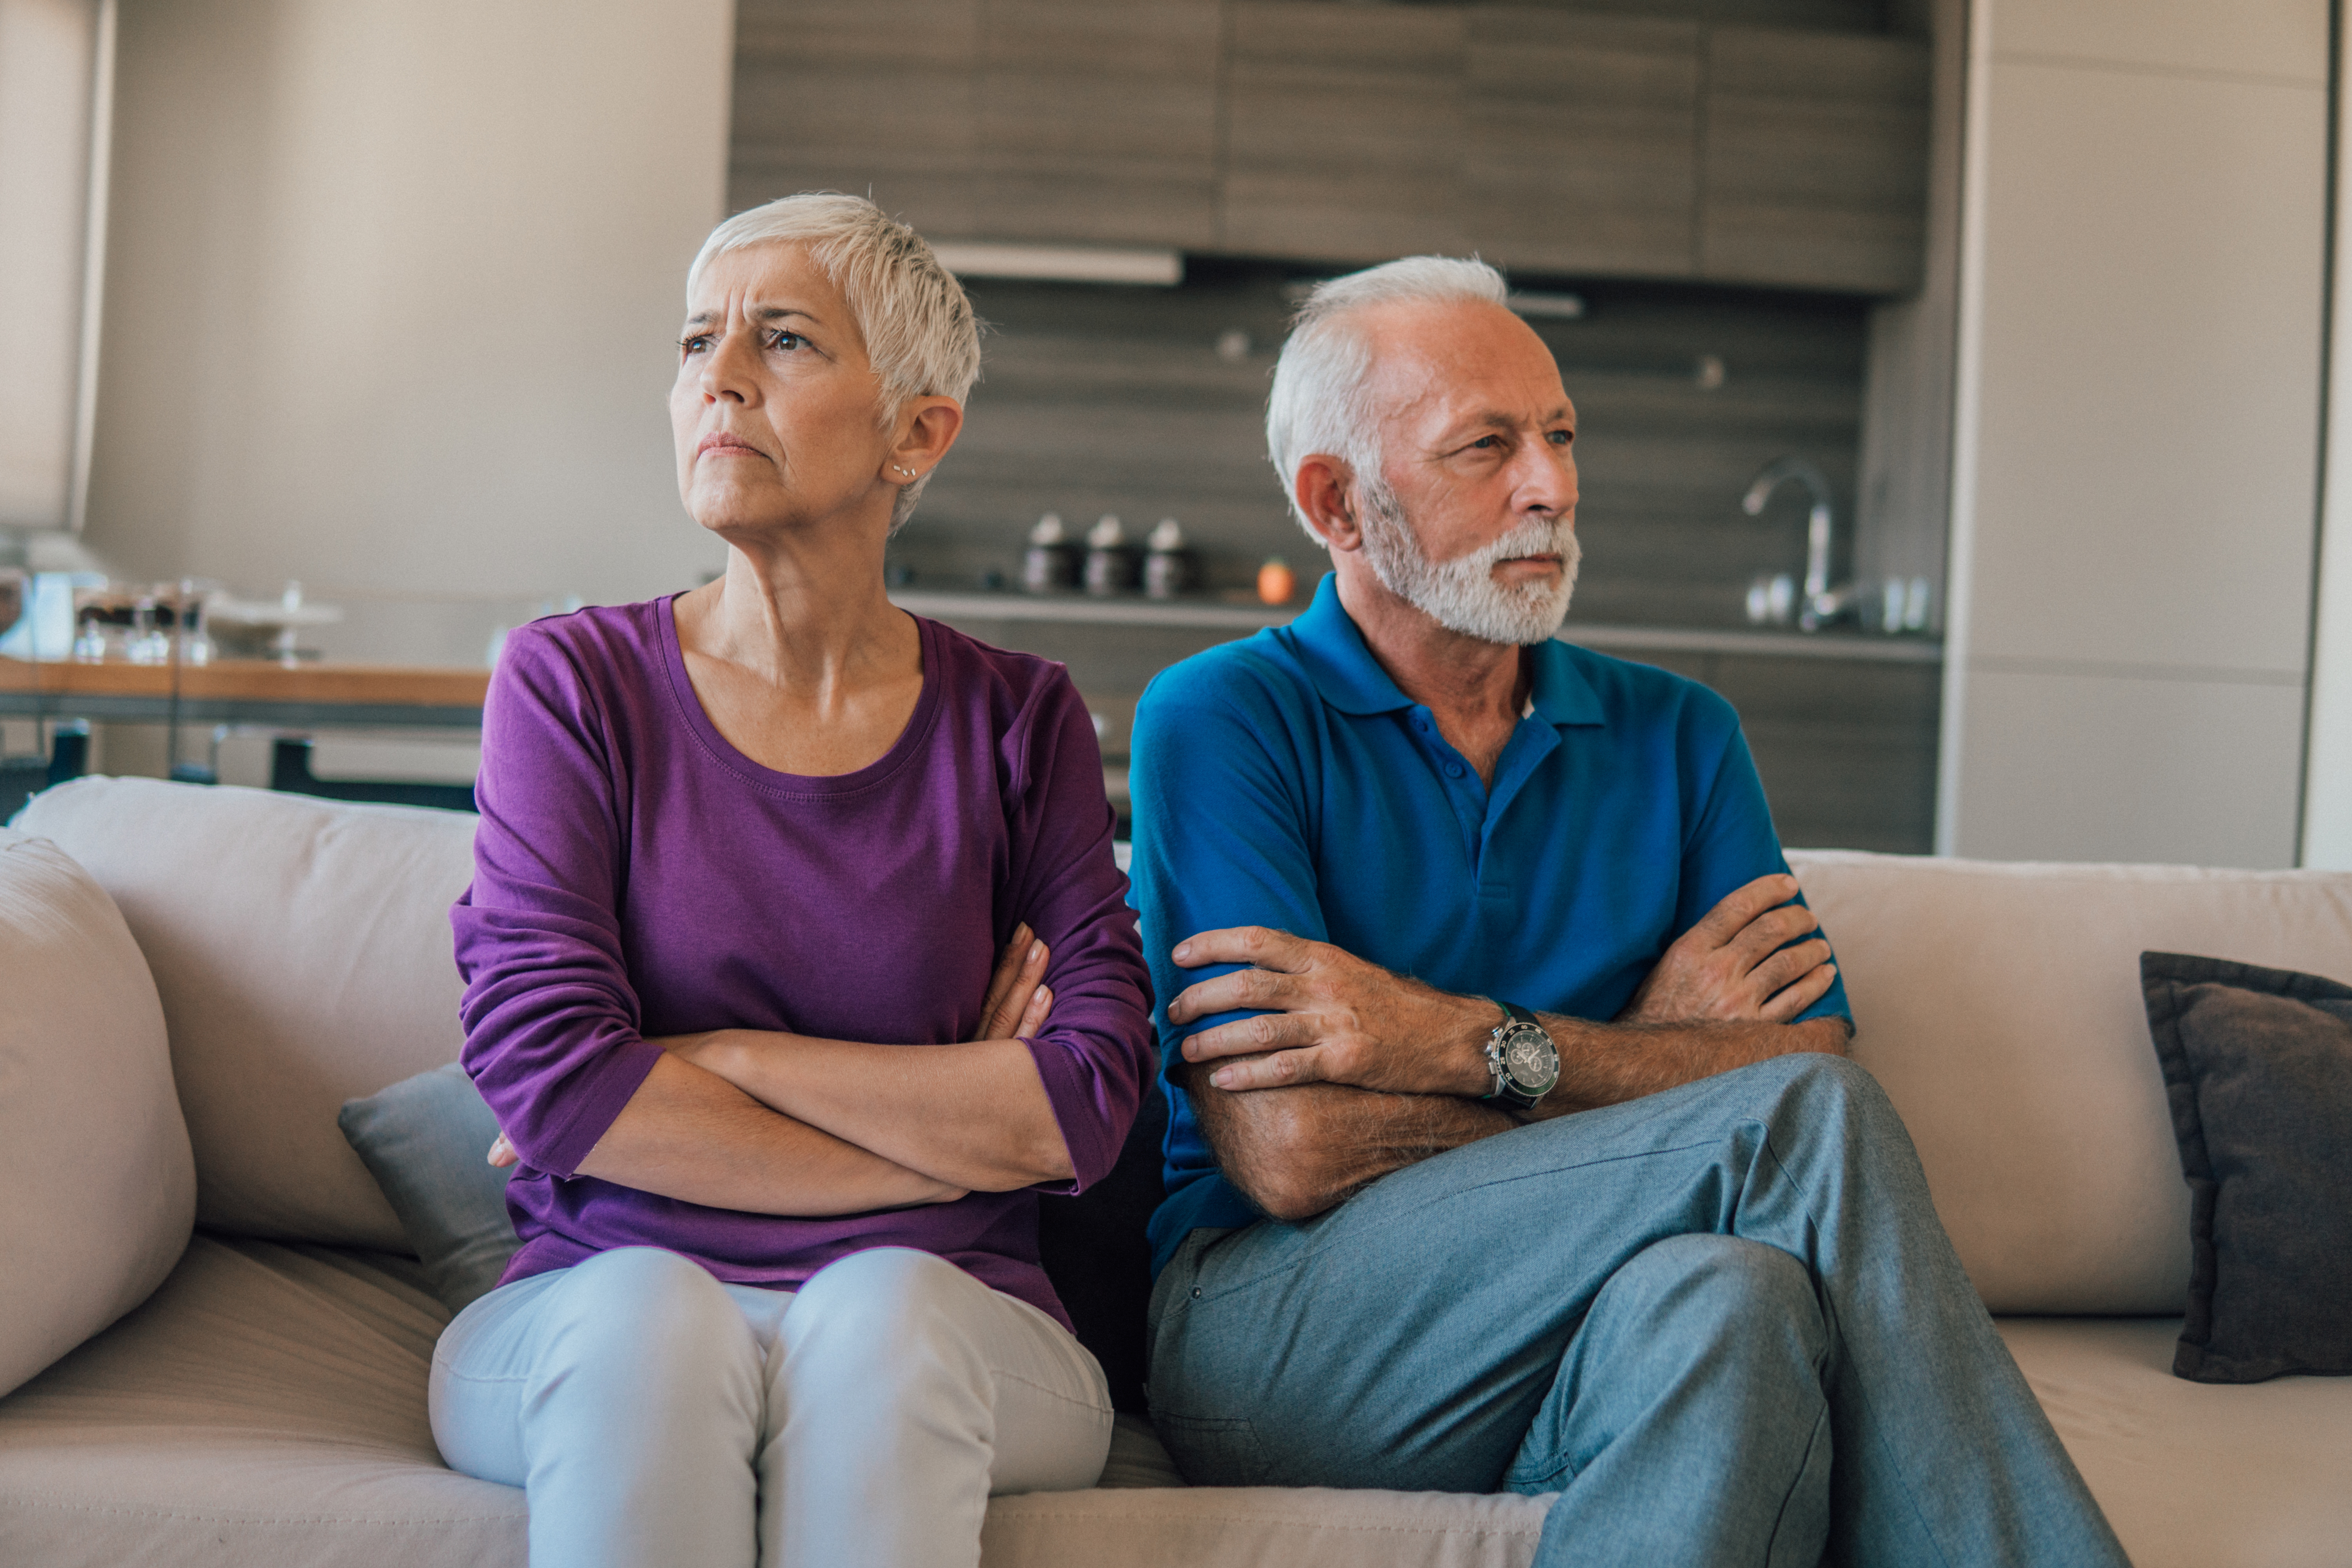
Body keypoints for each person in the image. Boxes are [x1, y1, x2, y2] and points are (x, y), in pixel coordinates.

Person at [1125, 256, 2129, 1567]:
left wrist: (1457, 1041)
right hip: (1281, 1328)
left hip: (1583, 1333)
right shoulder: (1222, 718)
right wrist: (1656, 1066)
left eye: (1559, 436)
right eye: (1487, 446)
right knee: (1796, 1126)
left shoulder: (1679, 733)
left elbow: (1806, 1047)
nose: (1552, 486)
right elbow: (1293, 1154)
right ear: (1338, 502)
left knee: (1738, 1298)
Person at [437, 193, 1154, 1568]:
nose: (719, 376)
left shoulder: (1021, 718)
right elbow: (552, 1074)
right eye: (699, 339)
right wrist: (945, 1136)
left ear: (918, 432)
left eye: (782, 340)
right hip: (595, 1298)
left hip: (958, 1313)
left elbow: (1084, 1107)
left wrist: (715, 1057)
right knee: (658, 1314)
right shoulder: (572, 685)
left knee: (881, 1311)